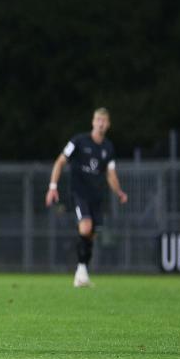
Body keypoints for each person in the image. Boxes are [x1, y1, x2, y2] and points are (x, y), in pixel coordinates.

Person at [45, 107, 127, 287]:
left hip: (96, 196)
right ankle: (81, 272)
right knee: (86, 226)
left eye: (104, 121)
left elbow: (110, 173)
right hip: (79, 193)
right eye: (98, 120)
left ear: (108, 124)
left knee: (91, 234)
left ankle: (82, 271)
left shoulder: (108, 147)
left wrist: (119, 191)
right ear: (93, 122)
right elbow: (60, 161)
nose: (101, 124)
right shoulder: (78, 141)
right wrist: (53, 187)